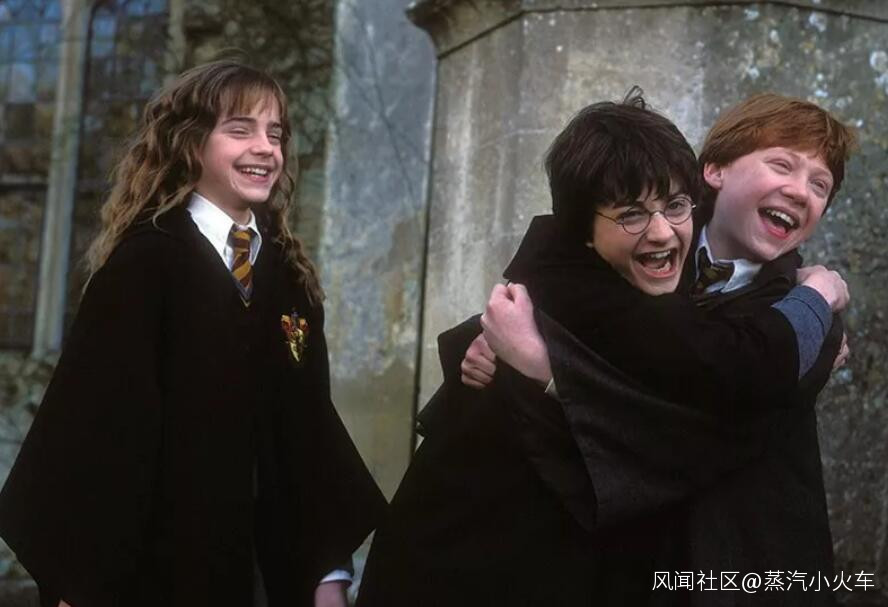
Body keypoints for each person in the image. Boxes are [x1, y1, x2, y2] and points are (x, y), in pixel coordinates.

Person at [356, 91, 848, 607]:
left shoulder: (806, 326)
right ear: (715, 171)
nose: (800, 191)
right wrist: (492, 339)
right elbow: (550, 266)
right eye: (781, 165)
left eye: (820, 184)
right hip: (472, 550)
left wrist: (548, 369)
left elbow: (691, 436)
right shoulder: (586, 265)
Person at [0, 60, 386, 607]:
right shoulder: (144, 267)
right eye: (241, 130)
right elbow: (97, 432)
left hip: (272, 574)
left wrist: (328, 574)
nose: (265, 148)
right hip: (163, 573)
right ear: (191, 142)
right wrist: (79, 585)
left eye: (275, 133)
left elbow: (309, 433)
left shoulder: (289, 278)